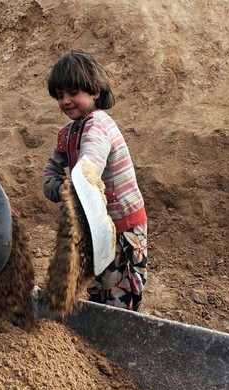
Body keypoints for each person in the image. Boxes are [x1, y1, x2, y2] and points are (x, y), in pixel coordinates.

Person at [42, 50, 148, 311]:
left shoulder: (98, 124)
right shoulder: (66, 134)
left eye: (73, 93)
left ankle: (117, 335)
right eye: (60, 96)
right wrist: (62, 188)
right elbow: (50, 176)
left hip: (123, 229)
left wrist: (78, 182)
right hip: (93, 228)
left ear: (95, 92)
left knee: (118, 294)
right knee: (97, 287)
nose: (66, 101)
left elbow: (91, 162)